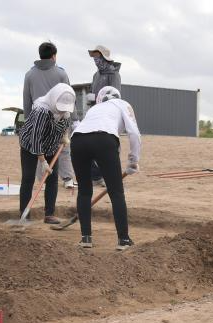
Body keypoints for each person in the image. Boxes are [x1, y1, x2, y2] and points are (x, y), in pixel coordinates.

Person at [70, 86, 141, 250]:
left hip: (78, 140)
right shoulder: (123, 104)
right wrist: (133, 161)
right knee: (116, 191)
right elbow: (134, 133)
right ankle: (123, 240)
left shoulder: (94, 109)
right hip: (104, 139)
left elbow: (93, 140)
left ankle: (86, 238)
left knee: (84, 191)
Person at [18, 83, 74, 224]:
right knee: (28, 178)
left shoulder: (66, 111)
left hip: (51, 146)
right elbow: (36, 137)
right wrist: (42, 161)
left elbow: (66, 125)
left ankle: (49, 214)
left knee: (52, 178)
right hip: (30, 145)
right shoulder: (41, 110)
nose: (62, 111)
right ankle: (24, 216)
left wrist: (65, 136)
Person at [23, 41, 71, 194]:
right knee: (61, 151)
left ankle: (41, 181)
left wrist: (28, 121)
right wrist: (71, 122)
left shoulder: (30, 74)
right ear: (54, 56)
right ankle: (68, 178)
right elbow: (68, 97)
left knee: (38, 149)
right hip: (58, 118)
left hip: (36, 118)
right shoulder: (61, 73)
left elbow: (26, 99)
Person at [86, 45, 123, 188]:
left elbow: (115, 96)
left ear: (104, 58)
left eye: (97, 57)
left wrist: (98, 98)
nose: (95, 60)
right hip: (94, 113)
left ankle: (110, 178)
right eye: (94, 57)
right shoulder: (96, 75)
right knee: (93, 146)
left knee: (108, 148)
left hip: (108, 116)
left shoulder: (114, 75)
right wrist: (92, 99)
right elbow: (92, 90)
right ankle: (96, 177)